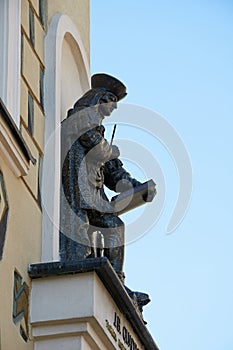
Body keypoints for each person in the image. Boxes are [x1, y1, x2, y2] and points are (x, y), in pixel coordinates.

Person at [60, 73, 155, 286]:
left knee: (114, 226)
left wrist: (136, 188)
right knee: (80, 231)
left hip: (95, 193)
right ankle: (80, 267)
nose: (114, 108)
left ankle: (115, 281)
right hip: (78, 188)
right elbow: (94, 145)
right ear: (100, 98)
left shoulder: (99, 130)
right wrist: (111, 150)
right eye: (112, 101)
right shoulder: (80, 117)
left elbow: (114, 172)